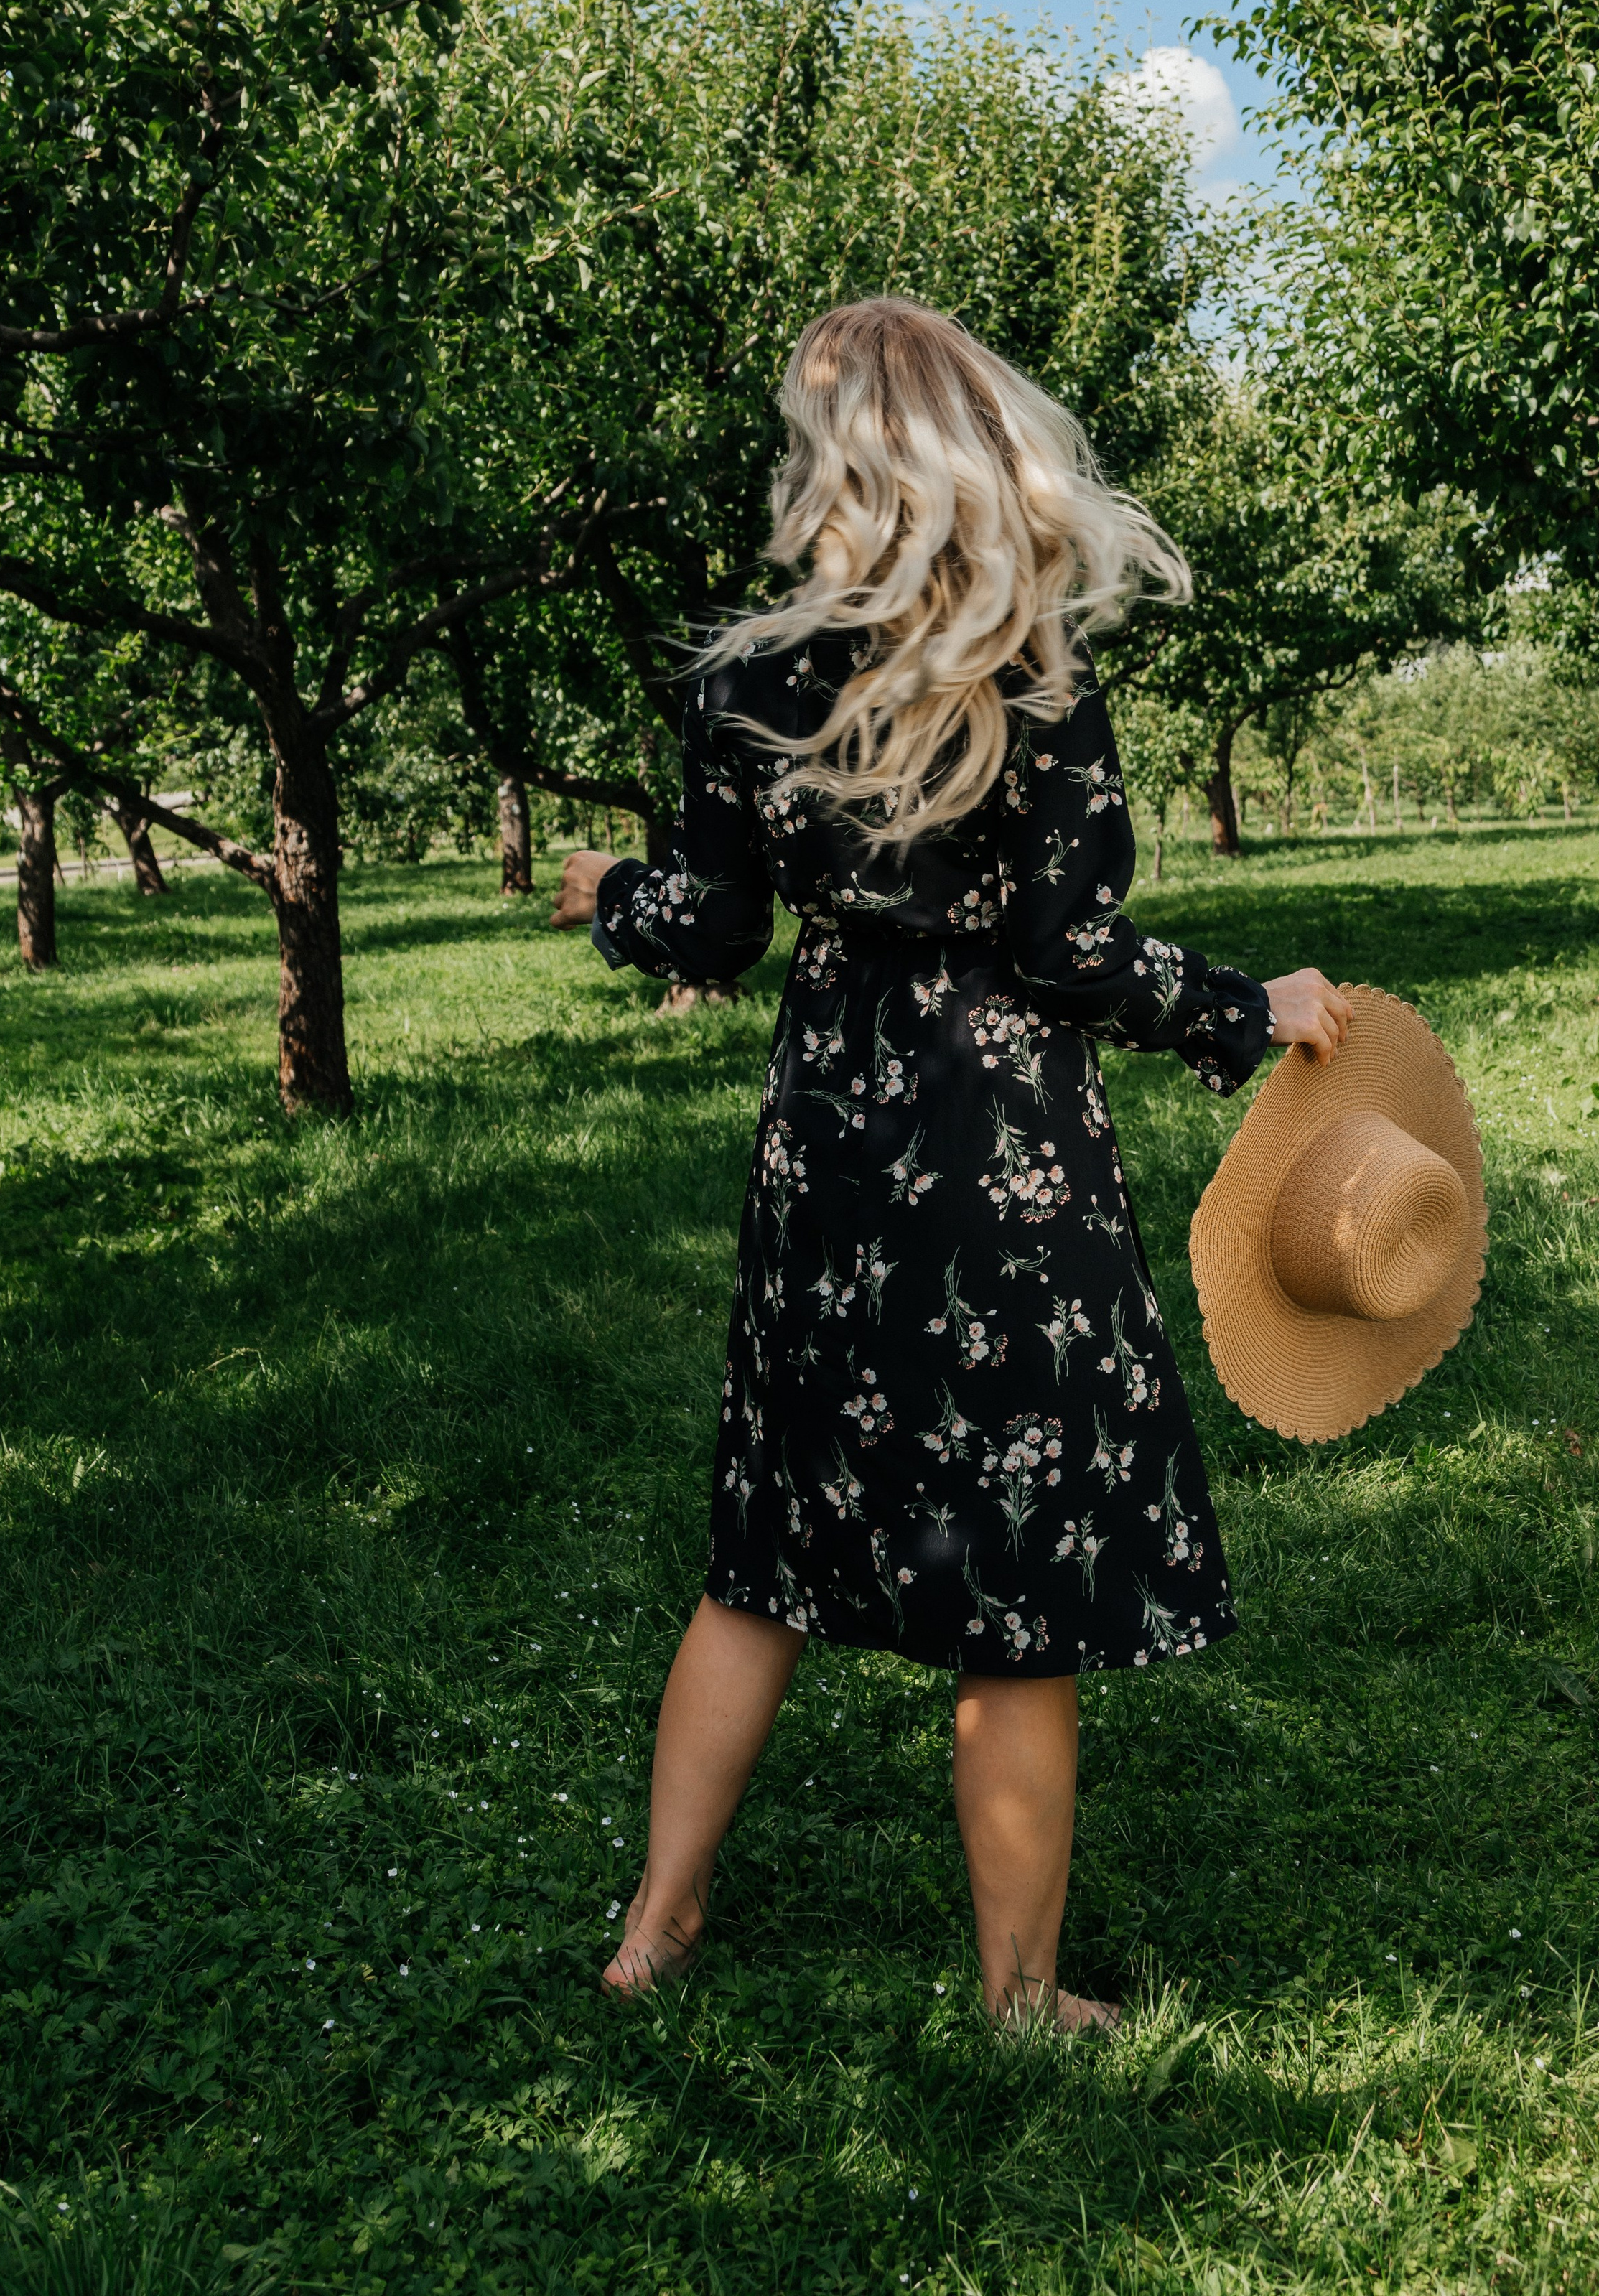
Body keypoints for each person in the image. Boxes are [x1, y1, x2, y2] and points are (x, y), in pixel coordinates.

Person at [553, 297, 1351, 2031]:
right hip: (999, 1144)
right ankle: (1015, 1998)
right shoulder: (1023, 661)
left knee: (759, 1554)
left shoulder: (743, 670)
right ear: (973, 441)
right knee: (1015, 1588)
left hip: (830, 1140)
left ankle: (654, 1931)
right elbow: (1072, 947)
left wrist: (607, 896)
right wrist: (1248, 1006)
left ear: (830, 451)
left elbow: (712, 921)